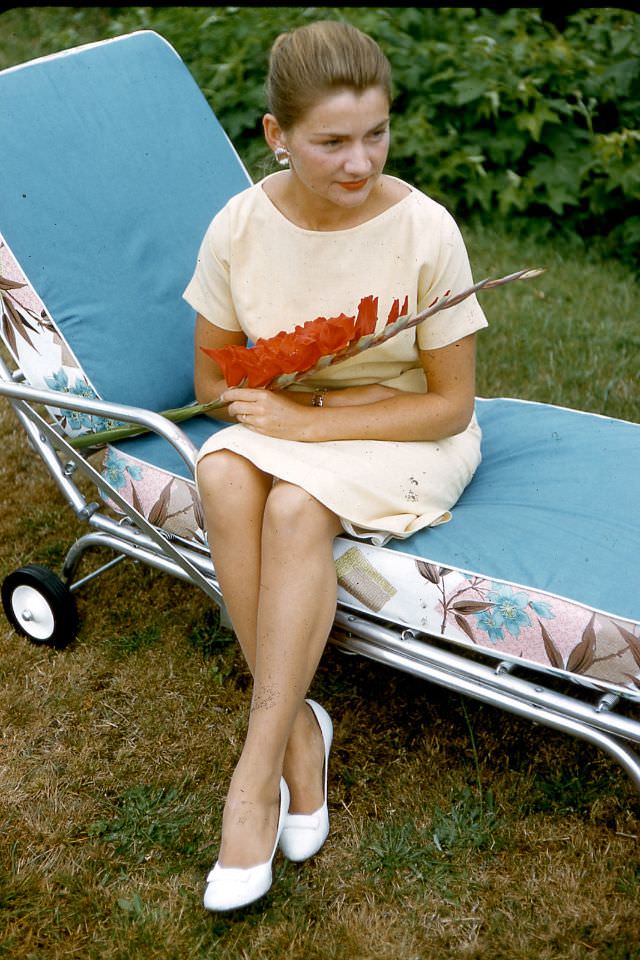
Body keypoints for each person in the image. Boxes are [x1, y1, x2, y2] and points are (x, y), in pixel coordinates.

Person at [183, 19, 487, 912]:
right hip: (288, 419)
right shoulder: (238, 226)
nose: (360, 163)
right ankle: (300, 740)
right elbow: (209, 380)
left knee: (291, 510)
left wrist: (312, 419)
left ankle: (255, 774)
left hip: (404, 433)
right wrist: (281, 404)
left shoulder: (426, 229)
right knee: (223, 475)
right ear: (277, 137)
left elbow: (451, 405)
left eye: (376, 135)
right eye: (331, 142)